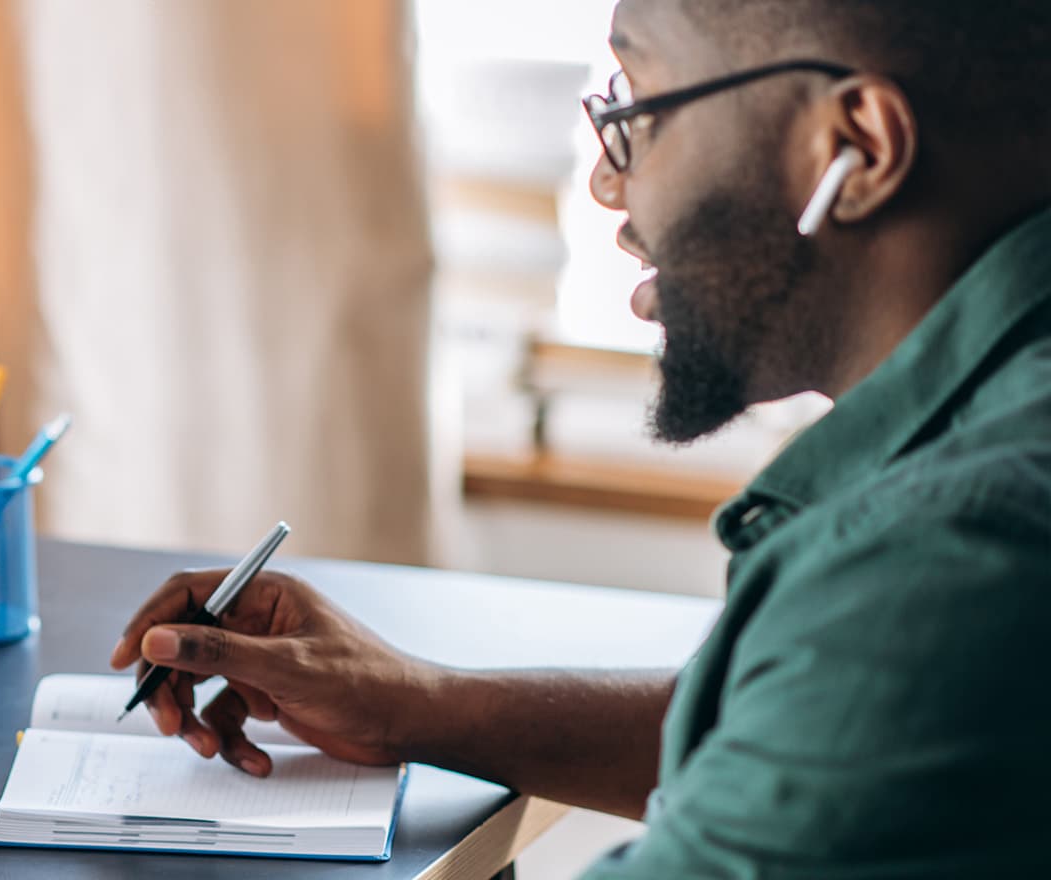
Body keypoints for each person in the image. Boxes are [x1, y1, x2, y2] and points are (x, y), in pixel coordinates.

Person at [113, 1, 1051, 876]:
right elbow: (819, 732)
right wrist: (410, 703)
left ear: (856, 147)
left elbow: (872, 682)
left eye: (641, 111)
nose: (607, 181)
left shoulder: (948, 567)